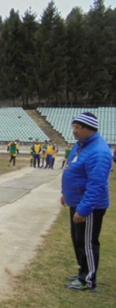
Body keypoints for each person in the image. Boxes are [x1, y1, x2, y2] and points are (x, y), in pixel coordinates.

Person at [61, 112, 112, 291]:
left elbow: (96, 186)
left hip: (89, 206)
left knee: (88, 243)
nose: (74, 131)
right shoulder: (81, 145)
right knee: (78, 240)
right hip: (76, 201)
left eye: (78, 128)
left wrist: (83, 210)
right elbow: (71, 169)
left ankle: (87, 280)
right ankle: (83, 271)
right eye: (73, 127)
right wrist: (65, 194)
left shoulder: (99, 152)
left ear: (89, 129)